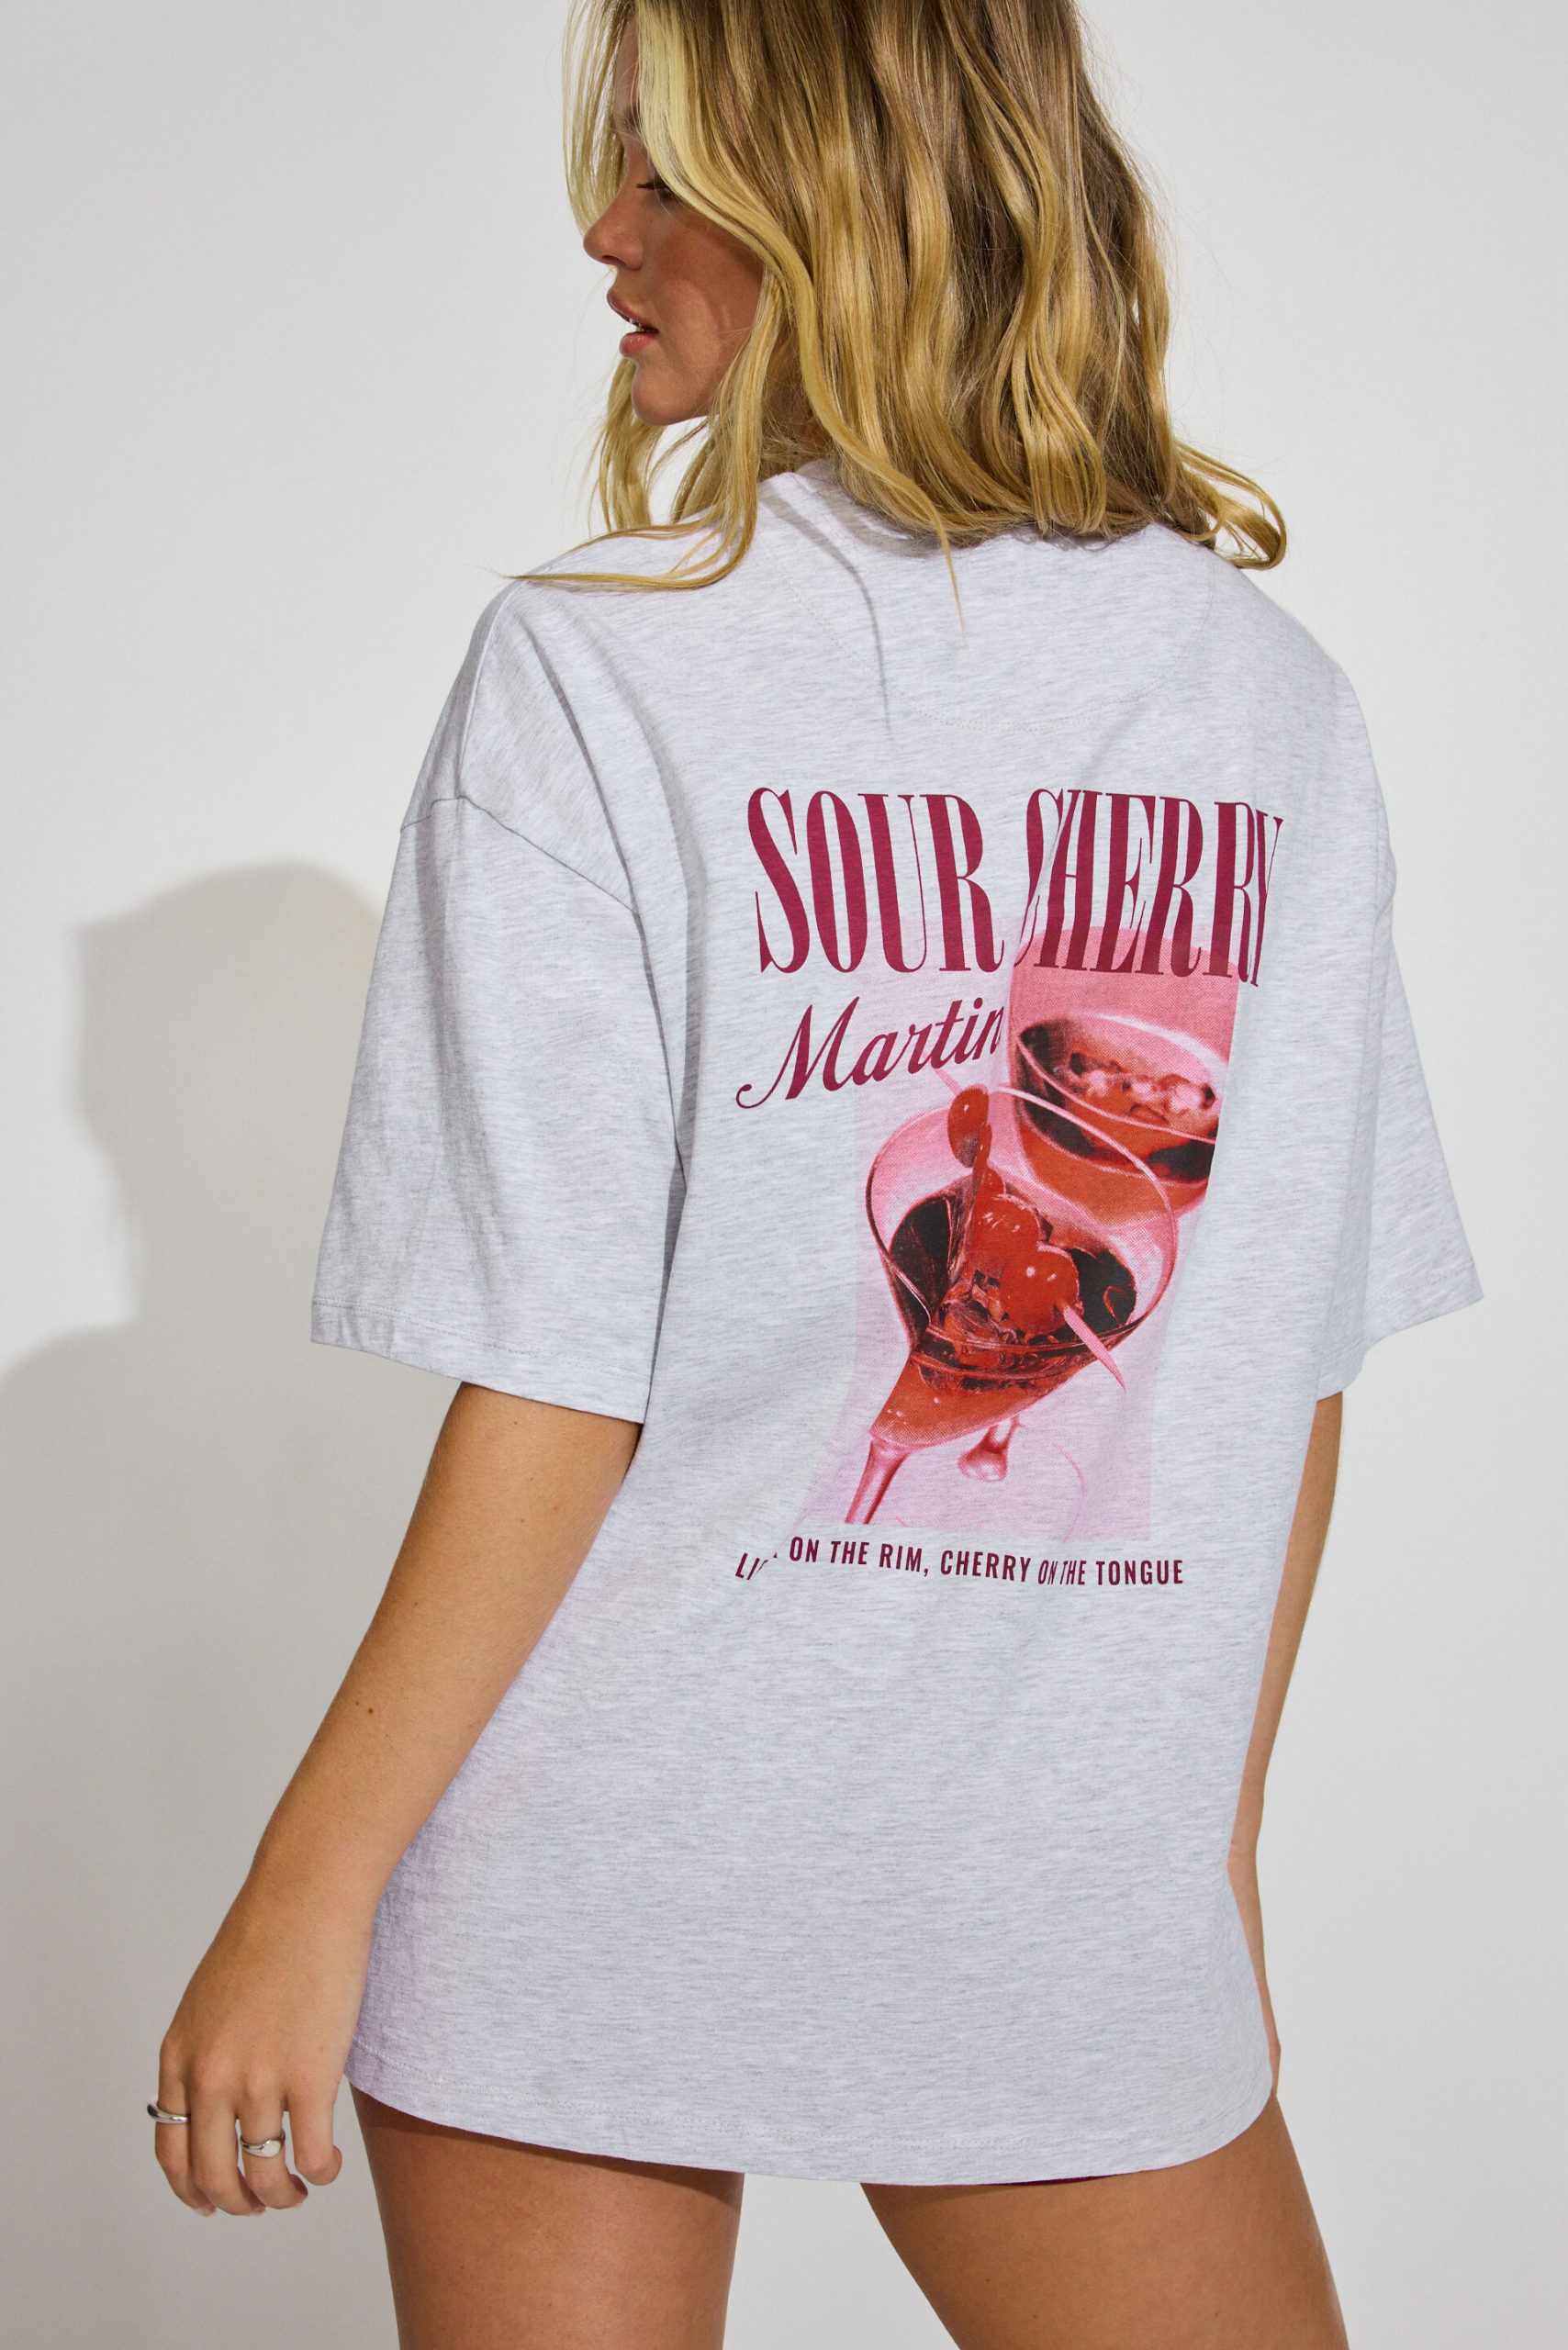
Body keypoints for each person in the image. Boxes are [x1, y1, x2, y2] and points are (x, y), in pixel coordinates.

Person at [151, 4, 1481, 2343]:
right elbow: (1284, 1381)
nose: (603, 230)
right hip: (597, 1870)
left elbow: (1263, 1341)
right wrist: (323, 1882)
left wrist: (1199, 1866)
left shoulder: (1221, 706)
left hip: (992, 1891)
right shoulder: (666, 674)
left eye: (665, 172)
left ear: (831, 202)